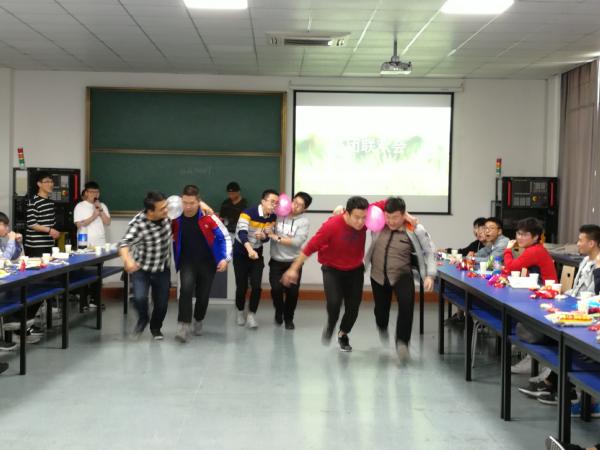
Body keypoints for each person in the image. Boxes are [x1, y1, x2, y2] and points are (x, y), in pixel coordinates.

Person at [518, 225, 600, 410]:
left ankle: (561, 386)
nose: (577, 244)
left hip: (589, 315)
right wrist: (561, 295)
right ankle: (553, 382)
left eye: (581, 240)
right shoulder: (586, 261)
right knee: (546, 327)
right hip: (577, 309)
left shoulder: (598, 264)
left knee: (565, 341)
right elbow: (577, 290)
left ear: (592, 243)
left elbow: (595, 295)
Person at [282, 196, 369, 352]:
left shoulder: (366, 218)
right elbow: (310, 247)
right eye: (357, 217)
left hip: (355, 269)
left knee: (353, 308)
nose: (361, 222)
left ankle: (343, 334)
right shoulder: (331, 226)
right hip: (332, 270)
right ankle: (331, 324)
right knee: (334, 304)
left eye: (364, 218)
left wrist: (407, 216)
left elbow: (385, 205)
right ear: (347, 213)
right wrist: (293, 268)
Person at [365, 197, 437, 361]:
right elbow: (363, 209)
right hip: (378, 275)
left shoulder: (414, 229)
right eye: (388, 217)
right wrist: (341, 211)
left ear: (404, 214)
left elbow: (429, 252)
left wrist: (430, 275)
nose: (391, 221)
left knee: (406, 306)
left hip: (402, 274)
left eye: (395, 217)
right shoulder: (377, 224)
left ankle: (402, 344)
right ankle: (382, 326)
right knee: (381, 312)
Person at [172, 185, 232, 343]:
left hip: (207, 263)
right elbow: (160, 208)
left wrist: (225, 258)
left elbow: (225, 237)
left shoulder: (209, 218)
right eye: (185, 202)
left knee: (203, 295)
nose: (188, 206)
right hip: (187, 262)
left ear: (199, 201)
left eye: (192, 203)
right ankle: (183, 325)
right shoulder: (175, 218)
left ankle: (198, 319)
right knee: (185, 290)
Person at [119, 191, 172, 340]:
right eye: (162, 209)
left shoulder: (169, 215)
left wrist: (203, 205)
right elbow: (124, 244)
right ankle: (143, 319)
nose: (166, 210)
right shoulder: (139, 224)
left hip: (162, 268)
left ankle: (156, 327)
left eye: (166, 206)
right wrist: (128, 260)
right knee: (139, 298)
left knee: (162, 304)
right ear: (150, 211)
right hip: (142, 268)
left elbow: (189, 203)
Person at [233, 189, 278, 329]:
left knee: (257, 286)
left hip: (257, 254)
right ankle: (240, 311)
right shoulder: (247, 213)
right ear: (263, 201)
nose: (274, 205)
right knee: (242, 286)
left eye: (276, 203)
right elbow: (242, 233)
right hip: (241, 253)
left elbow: (266, 236)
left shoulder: (272, 217)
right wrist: (249, 250)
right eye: (272, 202)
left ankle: (251, 315)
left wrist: (264, 237)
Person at [267, 192, 312, 330]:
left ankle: (289, 318)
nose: (295, 206)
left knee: (292, 293)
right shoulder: (278, 214)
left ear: (305, 209)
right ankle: (279, 311)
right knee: (276, 290)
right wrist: (267, 230)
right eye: (294, 202)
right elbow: (267, 225)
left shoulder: (304, 222)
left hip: (293, 263)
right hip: (276, 260)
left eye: (300, 205)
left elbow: (296, 242)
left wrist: (276, 237)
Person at [503, 217, 557, 283]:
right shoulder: (535, 247)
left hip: (546, 288)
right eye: (519, 233)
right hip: (540, 286)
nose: (519, 237)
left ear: (535, 237)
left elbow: (510, 267)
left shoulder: (534, 251)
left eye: (525, 235)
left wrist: (508, 249)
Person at [25, 171, 60, 257]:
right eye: (47, 181)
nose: (50, 184)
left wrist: (54, 233)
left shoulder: (51, 202)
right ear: (39, 184)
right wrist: (50, 230)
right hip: (35, 246)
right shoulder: (33, 201)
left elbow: (51, 224)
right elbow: (32, 224)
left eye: (51, 182)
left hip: (49, 244)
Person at [73, 181, 111, 247]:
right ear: (86, 193)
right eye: (92, 192)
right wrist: (93, 216)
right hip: (85, 241)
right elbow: (79, 225)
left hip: (100, 242)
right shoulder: (80, 206)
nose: (95, 194)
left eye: (97, 192)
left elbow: (108, 222)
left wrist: (101, 210)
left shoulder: (102, 206)